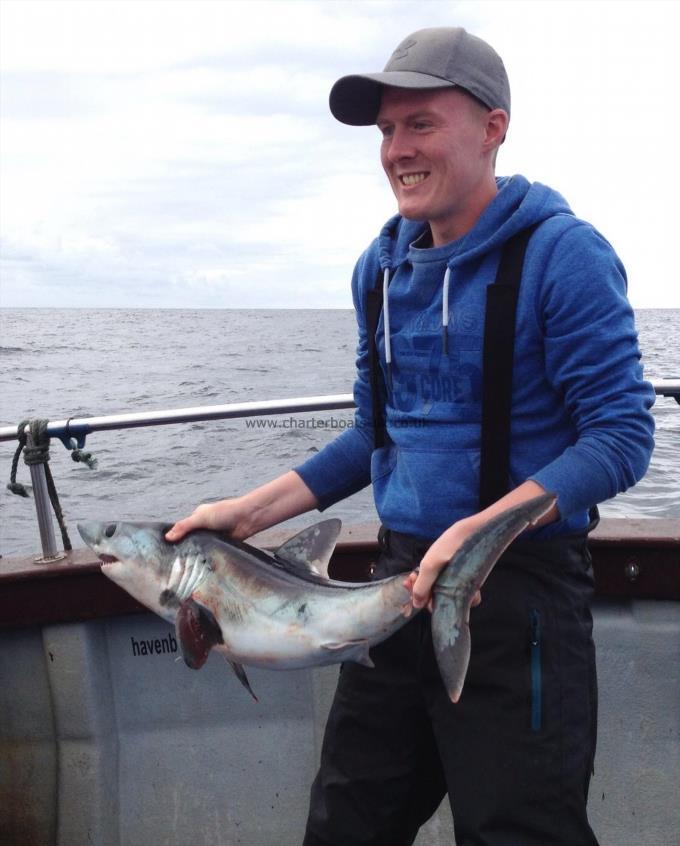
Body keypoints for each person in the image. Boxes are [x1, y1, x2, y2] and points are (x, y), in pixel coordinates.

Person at [167, 27, 655, 846]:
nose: (398, 150)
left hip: (520, 594)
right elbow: (375, 434)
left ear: (493, 127)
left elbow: (621, 435)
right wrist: (246, 514)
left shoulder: (563, 256)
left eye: (420, 124)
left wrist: (481, 528)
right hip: (392, 588)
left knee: (518, 830)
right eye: (388, 131)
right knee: (347, 821)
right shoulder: (379, 270)